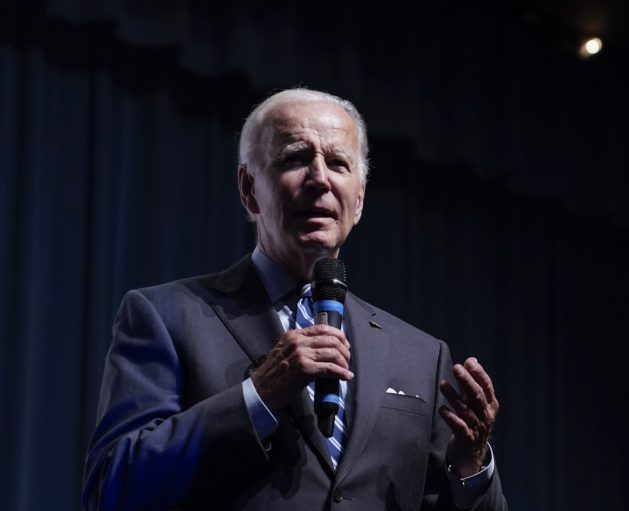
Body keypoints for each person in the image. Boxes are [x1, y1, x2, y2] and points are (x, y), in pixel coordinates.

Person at [83, 88, 507, 510]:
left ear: (358, 200)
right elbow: (113, 488)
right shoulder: (166, 316)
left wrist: (470, 468)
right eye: (295, 158)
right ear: (249, 189)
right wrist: (258, 395)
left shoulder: (422, 355)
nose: (320, 178)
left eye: (338, 164)